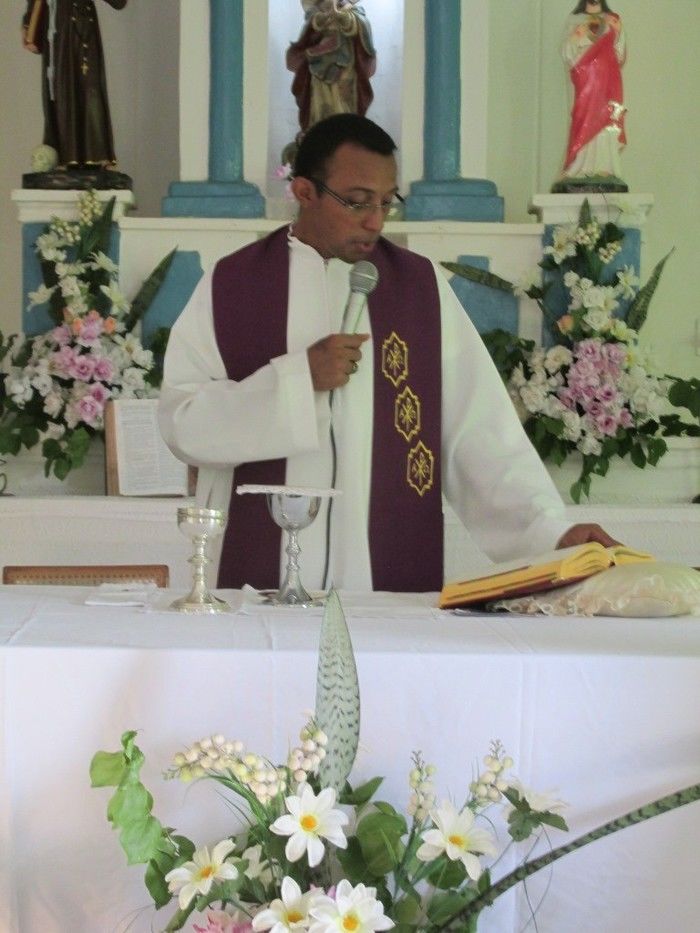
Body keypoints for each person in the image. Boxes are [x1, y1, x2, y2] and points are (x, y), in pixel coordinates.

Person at [159, 113, 617, 593]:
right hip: (253, 586)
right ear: (304, 192)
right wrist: (298, 381)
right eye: (356, 202)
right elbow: (183, 423)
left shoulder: (419, 289)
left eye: (386, 202)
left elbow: (479, 433)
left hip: (380, 584)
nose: (375, 221)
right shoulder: (232, 285)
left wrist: (550, 534)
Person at [21, 0, 127, 169]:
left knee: (88, 88)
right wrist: (30, 22)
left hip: (80, 25)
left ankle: (95, 155)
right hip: (55, 29)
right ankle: (61, 155)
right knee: (58, 90)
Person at [554, 0, 627, 190]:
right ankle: (579, 167)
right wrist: (580, 35)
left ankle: (605, 166)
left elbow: (619, 54)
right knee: (583, 118)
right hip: (585, 80)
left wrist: (615, 33)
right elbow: (566, 53)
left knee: (605, 121)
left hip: (608, 81)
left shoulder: (613, 20)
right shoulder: (574, 20)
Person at [286, 0, 376, 135]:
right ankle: (317, 129)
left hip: (345, 62)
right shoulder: (317, 9)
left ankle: (344, 132)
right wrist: (321, 20)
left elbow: (362, 25)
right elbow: (310, 27)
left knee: (343, 95)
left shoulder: (350, 8)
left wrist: (345, 18)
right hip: (319, 61)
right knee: (319, 96)